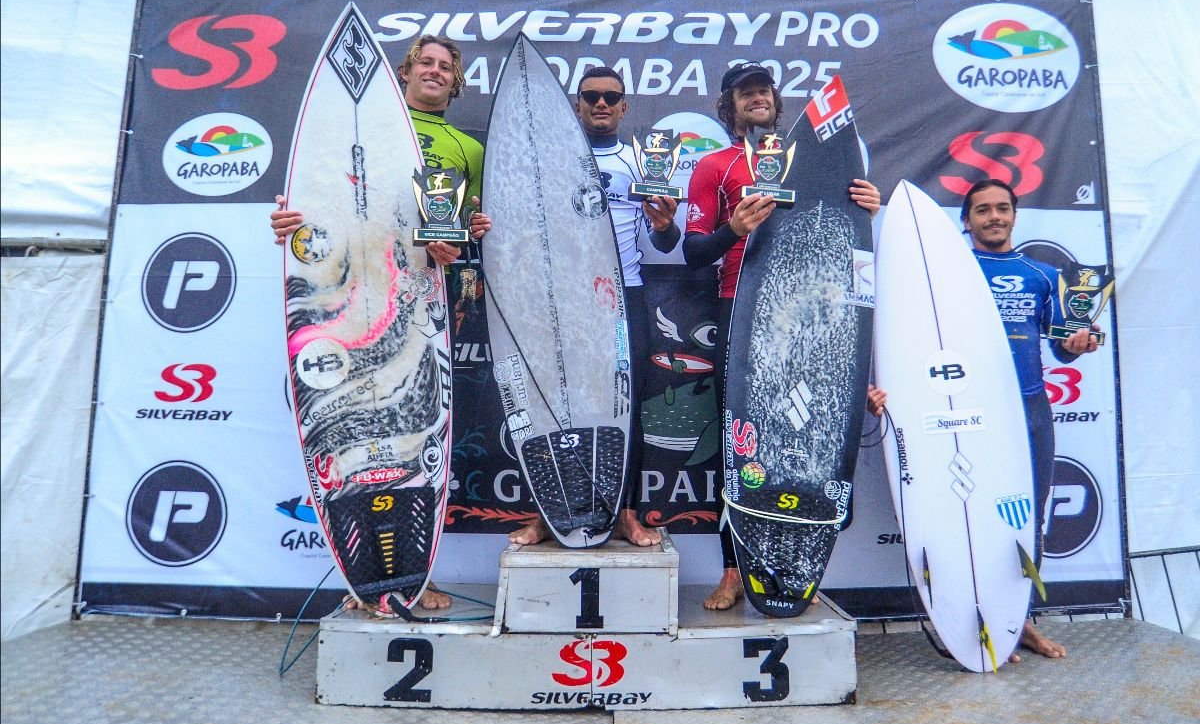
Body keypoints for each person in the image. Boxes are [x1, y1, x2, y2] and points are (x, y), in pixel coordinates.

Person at [271, 35, 492, 611]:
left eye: (446, 67)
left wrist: (462, 242)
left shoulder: (467, 148)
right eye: (426, 63)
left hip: (418, 297)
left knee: (413, 427)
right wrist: (290, 223)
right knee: (347, 426)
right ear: (405, 71)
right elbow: (317, 202)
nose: (436, 72)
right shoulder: (360, 127)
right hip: (347, 294)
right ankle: (361, 575)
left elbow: (466, 229)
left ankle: (415, 575)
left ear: (456, 81)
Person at [869, 177, 1099, 660]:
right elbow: (904, 337)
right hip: (961, 412)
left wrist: (1079, 343)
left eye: (1002, 208)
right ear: (967, 219)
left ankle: (1017, 622)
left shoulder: (1042, 275)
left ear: (1014, 215)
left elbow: (1062, 345)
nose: (994, 217)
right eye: (982, 210)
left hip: (1027, 411)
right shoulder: (944, 273)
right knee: (959, 514)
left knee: (1027, 517)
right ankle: (969, 622)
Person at [680, 61, 881, 610]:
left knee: (812, 437)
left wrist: (867, 206)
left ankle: (802, 565)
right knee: (740, 442)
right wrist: (734, 229)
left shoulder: (814, 164)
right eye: (745, 93)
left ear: (775, 99)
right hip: (743, 316)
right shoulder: (715, 166)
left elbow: (851, 237)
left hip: (814, 320)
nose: (757, 98)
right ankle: (733, 570)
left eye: (763, 91)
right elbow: (692, 251)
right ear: (728, 105)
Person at [505, 66, 680, 548]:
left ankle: (625, 513)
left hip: (623, 297)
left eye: (611, 96)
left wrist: (665, 224)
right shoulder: (549, 159)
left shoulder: (643, 164)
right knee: (551, 403)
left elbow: (666, 244)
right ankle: (547, 513)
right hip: (561, 298)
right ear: (576, 104)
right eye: (591, 96)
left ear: (625, 106)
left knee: (626, 405)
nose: (601, 103)